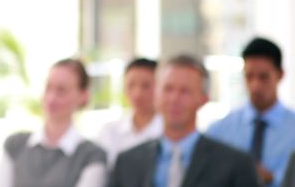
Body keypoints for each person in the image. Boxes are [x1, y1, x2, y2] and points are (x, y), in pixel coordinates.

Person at [108, 55, 259, 187]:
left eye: (185, 91)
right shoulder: (126, 162)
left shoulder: (234, 164)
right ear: (157, 94)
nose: (174, 99)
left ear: (204, 99)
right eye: (168, 89)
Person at [0, 58, 107, 187]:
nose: (51, 97)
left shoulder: (91, 155)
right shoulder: (15, 145)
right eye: (48, 87)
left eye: (61, 90)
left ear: (83, 96)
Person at [207, 37, 295, 187]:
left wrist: (273, 177)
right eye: (249, 77)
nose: (255, 86)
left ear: (280, 75)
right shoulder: (218, 131)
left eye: (263, 77)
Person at [96, 57, 163, 167]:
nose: (137, 93)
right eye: (131, 85)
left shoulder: (169, 133)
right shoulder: (109, 132)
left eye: (146, 86)